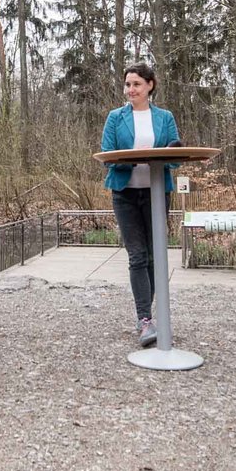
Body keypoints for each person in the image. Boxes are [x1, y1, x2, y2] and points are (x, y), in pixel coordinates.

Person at [101, 62, 180, 347]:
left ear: (150, 85)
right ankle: (144, 319)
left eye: (136, 84)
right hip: (125, 194)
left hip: (157, 193)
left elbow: (174, 157)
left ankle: (154, 311)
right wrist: (139, 157)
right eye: (127, 84)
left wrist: (161, 157)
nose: (130, 89)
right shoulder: (115, 118)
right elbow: (108, 155)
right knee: (136, 255)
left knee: (154, 255)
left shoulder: (165, 117)